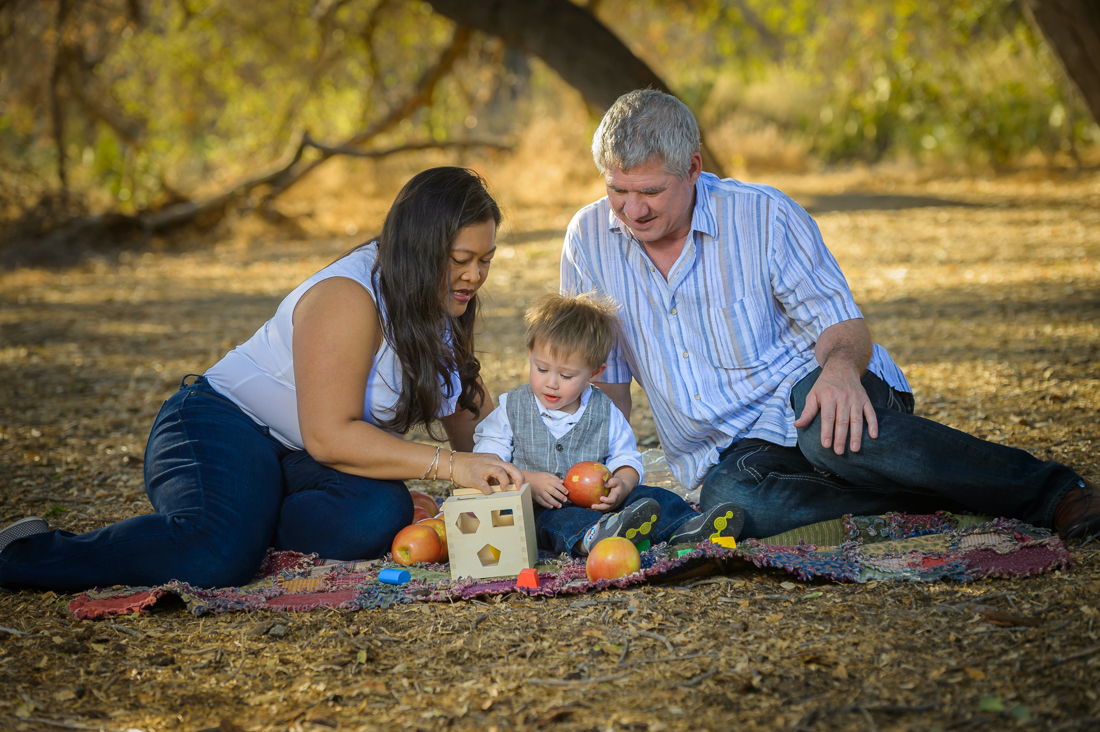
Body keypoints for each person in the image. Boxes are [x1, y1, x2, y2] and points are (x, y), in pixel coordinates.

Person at [559, 89, 1099, 541]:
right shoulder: (588, 239)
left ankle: (1055, 492)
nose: (632, 210)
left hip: (812, 391)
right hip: (731, 453)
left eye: (650, 191)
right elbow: (603, 374)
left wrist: (841, 373)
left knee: (826, 432)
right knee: (731, 502)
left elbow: (841, 325)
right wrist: (599, 464)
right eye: (616, 190)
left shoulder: (763, 215)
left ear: (694, 168)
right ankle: (927, 499)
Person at [0, 167, 524, 592]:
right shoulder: (348, 297)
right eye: (462, 260)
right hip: (220, 425)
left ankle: (245, 520)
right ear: (421, 249)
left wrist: (511, 480)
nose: (475, 276)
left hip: (298, 460)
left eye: (486, 260)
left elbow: (465, 399)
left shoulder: (440, 301)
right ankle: (29, 553)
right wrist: (454, 468)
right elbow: (330, 435)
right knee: (216, 558)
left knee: (379, 511)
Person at [473, 292, 743, 556]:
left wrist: (623, 485)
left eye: (566, 375)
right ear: (530, 354)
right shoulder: (512, 408)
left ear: (594, 372)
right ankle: (596, 538)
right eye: (542, 369)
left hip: (600, 504)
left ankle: (688, 526)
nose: (551, 383)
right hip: (541, 509)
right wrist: (528, 481)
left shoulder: (604, 410)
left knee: (651, 496)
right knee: (558, 523)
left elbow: (626, 456)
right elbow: (487, 462)